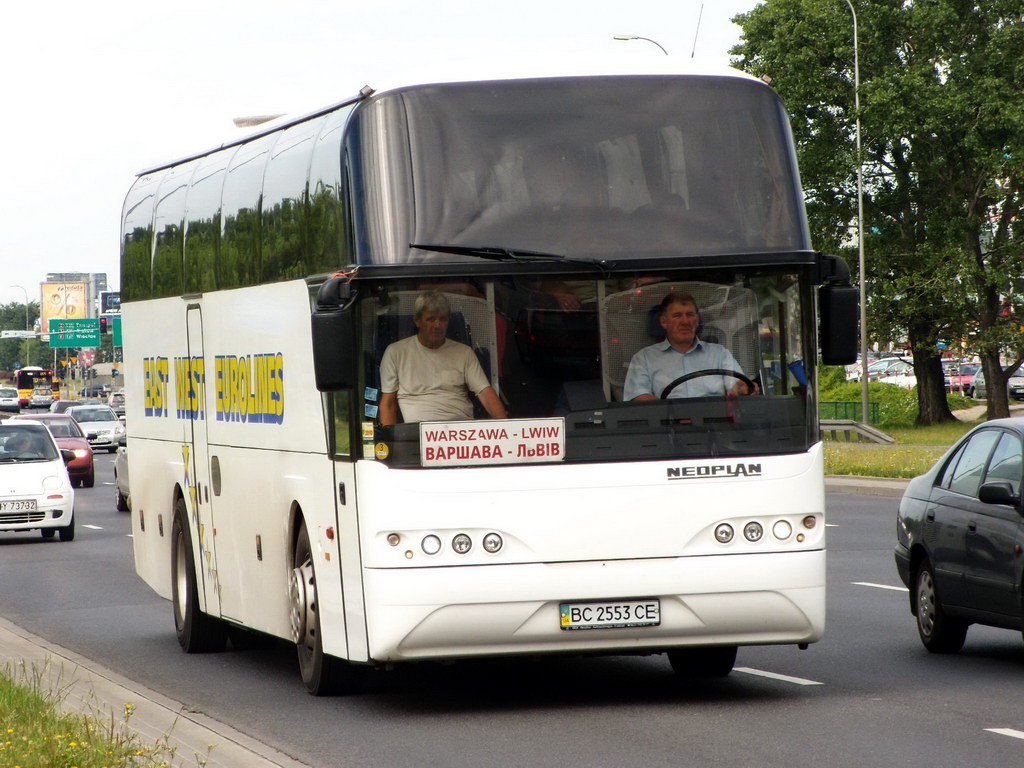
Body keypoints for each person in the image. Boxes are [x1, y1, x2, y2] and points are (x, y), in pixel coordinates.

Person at [378, 291, 507, 425]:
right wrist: (390, 441)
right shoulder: (395, 352)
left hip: (461, 430)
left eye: (443, 319)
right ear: (417, 321)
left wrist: (506, 428)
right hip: (417, 432)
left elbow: (485, 392)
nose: (437, 326)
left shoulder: (464, 352)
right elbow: (388, 404)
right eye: (431, 319)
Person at [624, 291, 757, 401]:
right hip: (668, 427)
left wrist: (743, 387)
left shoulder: (719, 353)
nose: (685, 322)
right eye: (677, 316)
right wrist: (674, 414)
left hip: (715, 425)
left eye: (690, 315)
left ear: (697, 320)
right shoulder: (644, 358)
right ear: (664, 322)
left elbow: (735, 385)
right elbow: (638, 397)